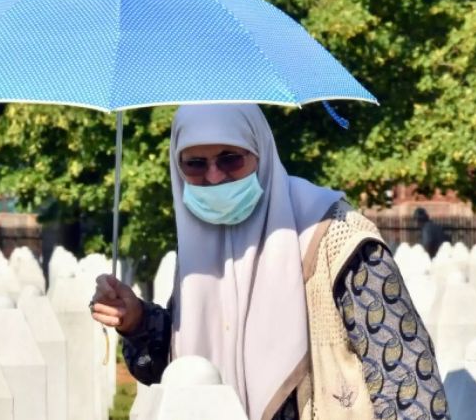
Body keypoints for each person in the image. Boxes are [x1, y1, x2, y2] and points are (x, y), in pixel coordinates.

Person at [90, 104, 447, 420]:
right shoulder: (201, 247)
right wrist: (137, 320)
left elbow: (404, 372)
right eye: (195, 164)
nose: (214, 177)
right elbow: (187, 370)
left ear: (260, 151)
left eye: (231, 158)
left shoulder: (336, 235)